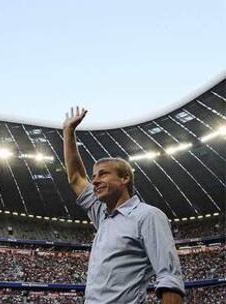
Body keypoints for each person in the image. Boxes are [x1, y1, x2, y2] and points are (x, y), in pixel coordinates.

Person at [63, 106, 185, 304]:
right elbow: (76, 178)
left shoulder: (148, 216)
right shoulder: (101, 214)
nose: (94, 181)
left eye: (103, 174)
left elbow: (169, 278)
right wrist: (68, 132)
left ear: (125, 178)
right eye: (93, 176)